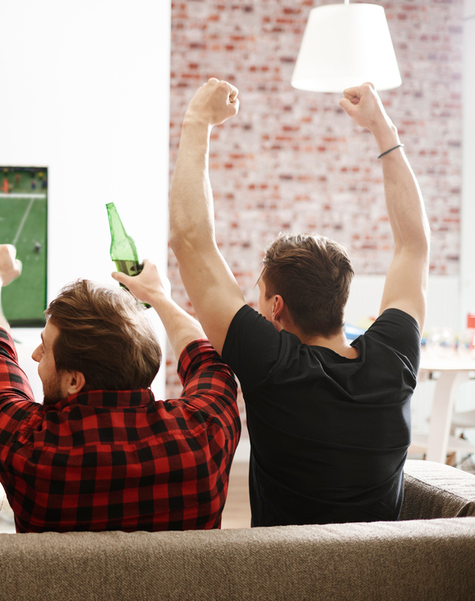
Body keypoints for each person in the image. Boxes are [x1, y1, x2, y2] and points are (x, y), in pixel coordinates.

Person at [168, 78, 429, 527]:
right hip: (385, 580)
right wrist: (381, 127)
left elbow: (190, 240)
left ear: (276, 308)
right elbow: (414, 246)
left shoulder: (273, 367)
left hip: (284, 580)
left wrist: (197, 122)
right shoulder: (394, 360)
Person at [0, 244, 240, 533]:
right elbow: (204, 356)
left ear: (74, 380)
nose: (35, 354)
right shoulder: (205, 433)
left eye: (45, 348)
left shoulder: (27, 448)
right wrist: (158, 296)